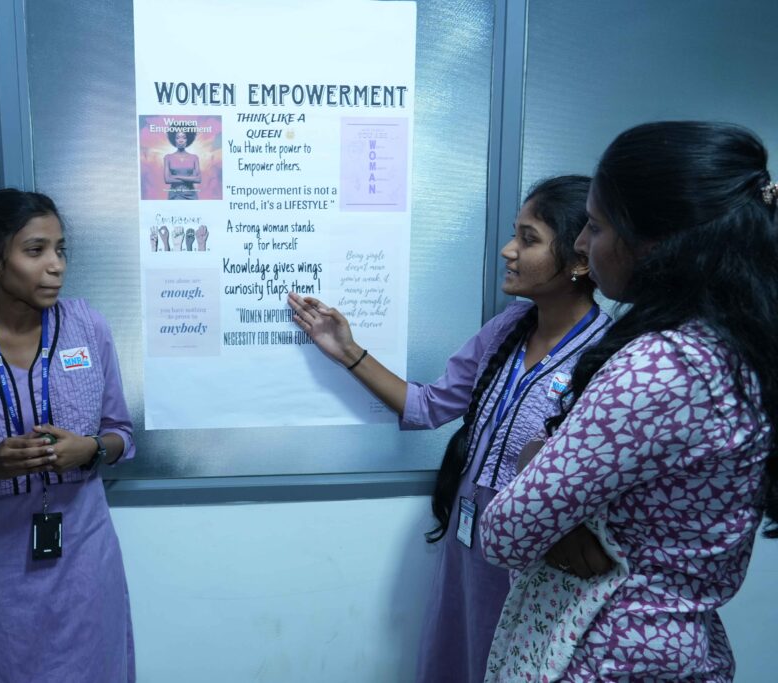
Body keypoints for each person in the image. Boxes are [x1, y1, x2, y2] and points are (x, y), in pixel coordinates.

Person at [481, 122, 778, 681]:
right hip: (672, 649)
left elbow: (505, 531)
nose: (581, 244)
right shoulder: (738, 346)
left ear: (657, 242)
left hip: (606, 654)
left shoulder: (664, 366)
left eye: (595, 226)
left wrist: (533, 464)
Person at [288, 175, 611, 683]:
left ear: (579, 260)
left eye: (528, 239)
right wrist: (345, 350)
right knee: (456, 658)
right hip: (467, 542)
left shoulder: (608, 358)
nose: (508, 250)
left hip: (536, 561)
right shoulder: (508, 328)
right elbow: (429, 406)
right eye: (515, 234)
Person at [0, 189, 136, 681]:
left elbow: (122, 434)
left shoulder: (87, 327)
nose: (56, 265)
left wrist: (91, 449)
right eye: (36, 250)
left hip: (84, 553)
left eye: (60, 249)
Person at [163, 129, 201, 199]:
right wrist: (190, 179)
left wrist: (175, 177)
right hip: (174, 195)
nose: (181, 140)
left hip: (191, 195)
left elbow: (198, 179)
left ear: (187, 140)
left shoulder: (194, 157)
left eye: (184, 137)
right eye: (178, 138)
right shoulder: (168, 157)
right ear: (174, 140)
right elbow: (167, 180)